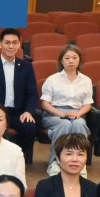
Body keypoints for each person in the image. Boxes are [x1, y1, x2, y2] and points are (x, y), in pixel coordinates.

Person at [0, 28, 41, 163]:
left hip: (19, 112)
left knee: (29, 127)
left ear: (19, 44)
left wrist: (28, 111)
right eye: (7, 42)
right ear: (0, 44)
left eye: (14, 43)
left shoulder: (26, 67)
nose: (11, 46)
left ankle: (20, 159)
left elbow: (32, 94)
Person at [39, 44, 94, 176]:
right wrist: (63, 114)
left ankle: (80, 164)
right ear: (61, 61)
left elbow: (87, 104)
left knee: (79, 124)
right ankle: (55, 162)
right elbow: (44, 104)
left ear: (79, 60)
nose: (71, 61)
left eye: (74, 58)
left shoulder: (86, 80)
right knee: (64, 124)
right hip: (54, 114)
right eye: (67, 58)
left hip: (77, 114)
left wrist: (78, 114)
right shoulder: (52, 79)